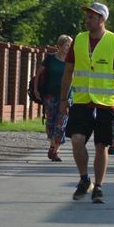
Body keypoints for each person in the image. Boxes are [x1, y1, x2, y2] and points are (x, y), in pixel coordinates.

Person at [60, 2, 114, 204]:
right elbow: (68, 71)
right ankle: (84, 179)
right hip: (82, 100)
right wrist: (64, 98)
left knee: (102, 146)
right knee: (77, 140)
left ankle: (98, 186)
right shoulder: (79, 40)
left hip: (107, 103)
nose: (87, 20)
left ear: (102, 19)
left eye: (92, 16)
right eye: (87, 16)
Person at [34, 34, 73, 162]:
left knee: (61, 124)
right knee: (51, 122)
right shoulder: (50, 59)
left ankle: (55, 150)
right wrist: (35, 90)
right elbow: (38, 75)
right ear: (60, 46)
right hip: (50, 95)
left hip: (67, 96)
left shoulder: (73, 60)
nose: (69, 47)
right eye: (67, 45)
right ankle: (52, 145)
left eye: (71, 45)